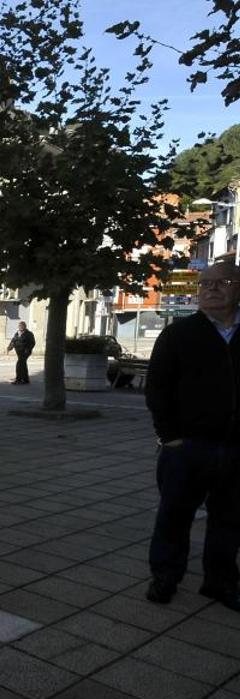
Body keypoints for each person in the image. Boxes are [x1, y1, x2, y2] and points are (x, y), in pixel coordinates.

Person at [144, 261, 240, 612]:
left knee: (230, 520)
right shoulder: (179, 334)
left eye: (223, 282)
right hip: (187, 447)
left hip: (235, 448)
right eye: (205, 284)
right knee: (173, 515)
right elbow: (157, 388)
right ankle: (166, 576)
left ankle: (220, 582)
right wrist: (169, 436)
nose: (211, 289)